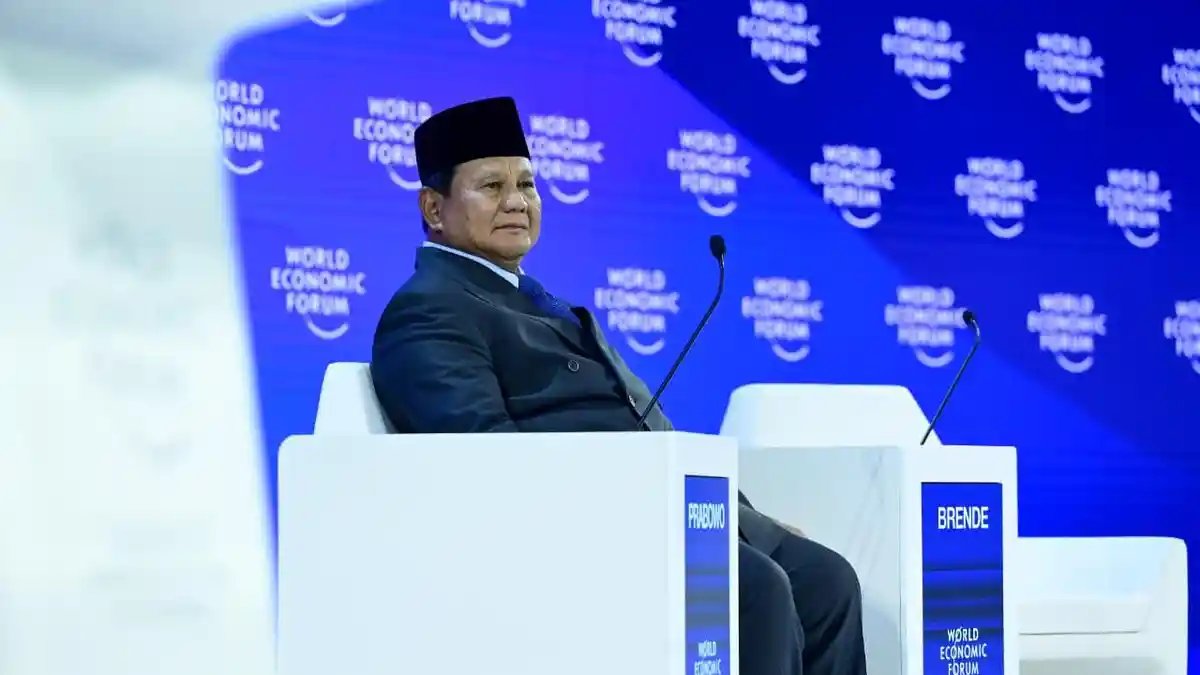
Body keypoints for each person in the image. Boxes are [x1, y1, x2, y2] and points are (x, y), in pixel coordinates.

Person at [370, 96, 867, 675]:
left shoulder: (548, 304)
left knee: (827, 580)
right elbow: (489, 464)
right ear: (434, 208)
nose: (517, 202)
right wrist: (626, 509)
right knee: (753, 588)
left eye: (527, 184)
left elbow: (648, 423)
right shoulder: (429, 310)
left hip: (661, 511)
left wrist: (735, 510)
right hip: (579, 533)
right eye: (491, 186)